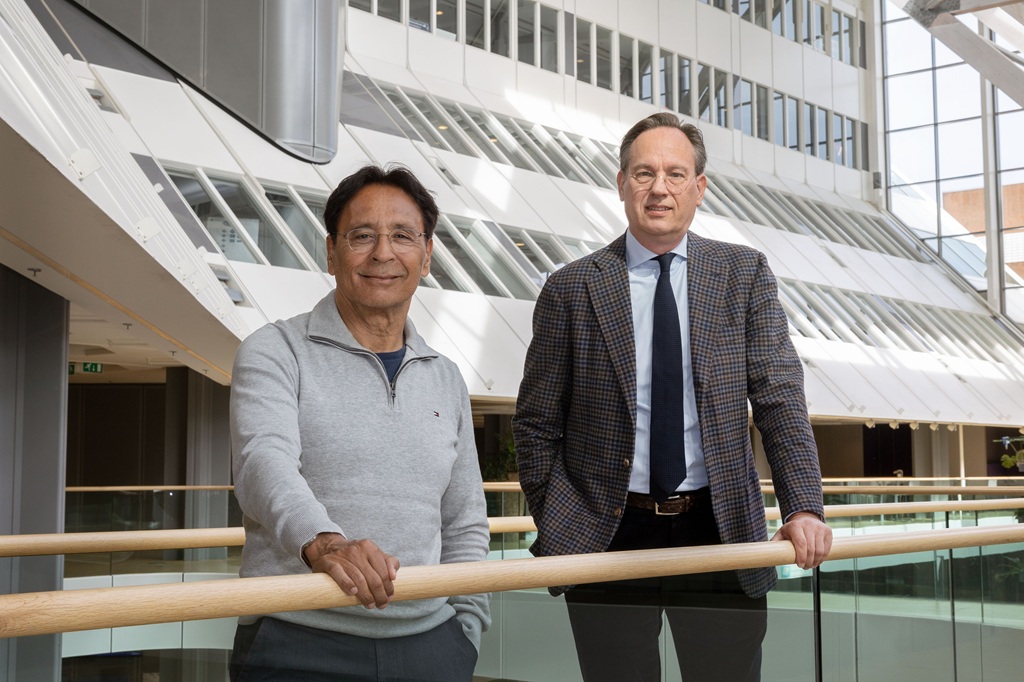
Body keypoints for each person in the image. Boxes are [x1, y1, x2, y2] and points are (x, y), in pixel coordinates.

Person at [513, 112, 832, 682]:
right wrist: (558, 520)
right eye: (643, 173)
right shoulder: (571, 287)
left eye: (675, 174)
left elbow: (780, 399)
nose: (659, 187)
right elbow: (536, 424)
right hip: (604, 535)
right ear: (620, 184)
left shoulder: (743, 274)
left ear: (699, 188)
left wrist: (802, 506)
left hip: (719, 526)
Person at [229, 164, 490, 681]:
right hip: (295, 642)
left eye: (402, 236)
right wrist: (326, 543)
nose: (383, 254)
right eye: (362, 236)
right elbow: (264, 463)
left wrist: (467, 629)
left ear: (428, 254)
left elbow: (464, 520)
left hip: (432, 647)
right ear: (331, 251)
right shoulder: (275, 350)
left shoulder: (446, 377)